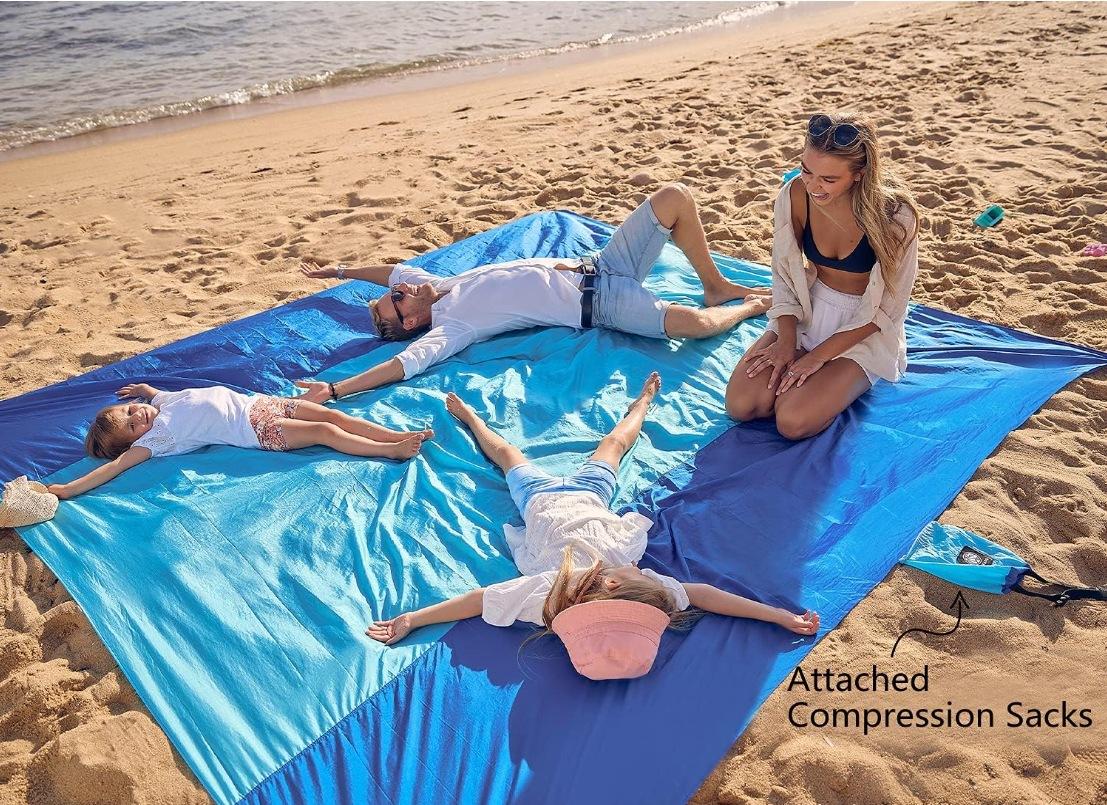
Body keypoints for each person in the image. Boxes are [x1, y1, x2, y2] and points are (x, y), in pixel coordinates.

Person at [366, 373, 819, 680]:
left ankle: (471, 418)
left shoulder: (551, 591)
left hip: (537, 496)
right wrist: (777, 615)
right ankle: (642, 403)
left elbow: (477, 600)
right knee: (615, 443)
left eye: (639, 576)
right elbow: (705, 595)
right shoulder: (639, 587)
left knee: (506, 455)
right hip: (591, 493)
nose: (646, 572)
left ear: (610, 585)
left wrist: (413, 619)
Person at [294, 184, 771, 404]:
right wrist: (335, 389)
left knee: (673, 196)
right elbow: (401, 365)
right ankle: (748, 306)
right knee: (693, 325)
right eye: (396, 300)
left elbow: (391, 270)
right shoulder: (452, 327)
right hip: (603, 305)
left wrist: (340, 270)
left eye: (394, 291)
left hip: (602, 264)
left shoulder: (434, 287)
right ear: (412, 322)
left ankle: (714, 285)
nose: (399, 288)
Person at [725, 113, 921, 439]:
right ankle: (811, 381)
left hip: (863, 328)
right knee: (742, 405)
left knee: (792, 421)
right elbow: (784, 274)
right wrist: (786, 340)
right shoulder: (795, 195)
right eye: (806, 170)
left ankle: (833, 381)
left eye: (828, 179)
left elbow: (889, 308)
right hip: (807, 311)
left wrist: (817, 357)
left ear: (859, 174)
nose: (813, 185)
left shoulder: (895, 217)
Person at [46, 383, 432, 499]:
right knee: (325, 433)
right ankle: (390, 450)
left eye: (131, 411)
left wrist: (144, 389)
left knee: (333, 415)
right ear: (135, 441)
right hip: (256, 430)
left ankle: (395, 434)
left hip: (261, 403)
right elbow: (116, 466)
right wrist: (67, 488)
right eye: (132, 427)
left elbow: (153, 394)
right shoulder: (160, 438)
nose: (139, 417)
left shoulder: (160, 403)